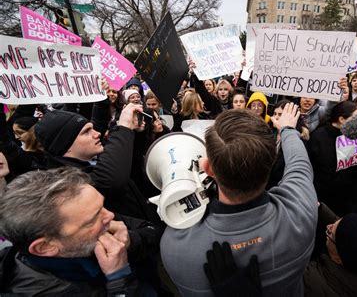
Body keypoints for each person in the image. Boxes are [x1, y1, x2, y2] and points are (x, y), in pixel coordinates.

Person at [160, 105, 318, 296]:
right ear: (271, 161)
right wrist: (288, 130)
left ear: (208, 168)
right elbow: (299, 163)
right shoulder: (303, 210)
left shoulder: (175, 247)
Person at [0, 167, 162, 295]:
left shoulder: (93, 214)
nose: (110, 215)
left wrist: (130, 241)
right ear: (45, 247)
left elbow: (152, 230)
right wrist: (120, 282)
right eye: (92, 220)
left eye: (102, 206)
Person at [34, 105, 162, 226]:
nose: (97, 134)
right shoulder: (66, 182)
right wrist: (123, 127)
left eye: (92, 128)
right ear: (65, 145)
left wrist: (136, 133)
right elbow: (108, 181)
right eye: (86, 132)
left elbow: (131, 168)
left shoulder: (95, 160)